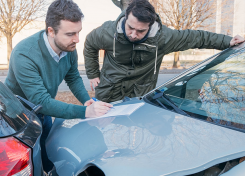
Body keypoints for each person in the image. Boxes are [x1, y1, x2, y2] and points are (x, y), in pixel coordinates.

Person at [5, 0, 112, 172]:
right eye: (70, 34)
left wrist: (87, 101)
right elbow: (41, 100)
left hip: (42, 110)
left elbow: (73, 77)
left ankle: (49, 172)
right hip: (18, 116)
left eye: (78, 32)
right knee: (28, 161)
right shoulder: (24, 53)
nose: (77, 39)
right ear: (51, 31)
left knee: (46, 148)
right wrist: (85, 113)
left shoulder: (69, 48)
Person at [84, 0, 245, 103]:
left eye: (140, 31)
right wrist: (92, 73)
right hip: (108, 92)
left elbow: (196, 37)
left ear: (149, 26)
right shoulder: (107, 31)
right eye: (130, 28)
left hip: (139, 95)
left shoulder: (163, 38)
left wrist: (227, 41)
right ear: (126, 17)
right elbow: (90, 44)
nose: (133, 34)